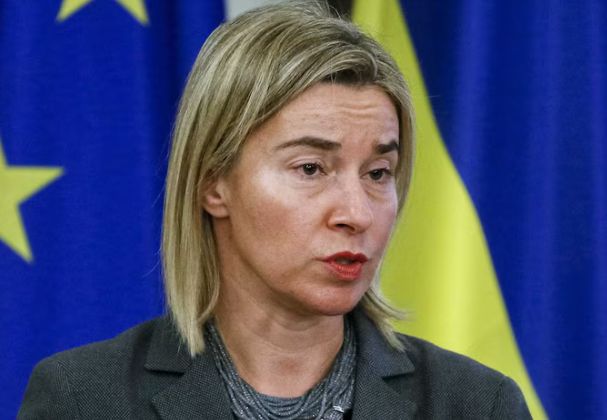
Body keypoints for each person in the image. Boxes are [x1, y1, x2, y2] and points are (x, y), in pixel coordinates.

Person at [18, 1, 531, 419]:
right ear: (213, 182)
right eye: (311, 168)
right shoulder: (83, 400)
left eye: (378, 173)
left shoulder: (476, 405)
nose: (357, 213)